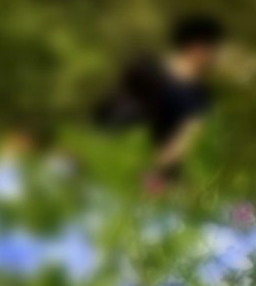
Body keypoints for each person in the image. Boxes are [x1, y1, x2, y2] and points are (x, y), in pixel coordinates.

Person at [92, 14, 226, 188]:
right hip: (108, 145)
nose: (215, 55)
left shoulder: (200, 96)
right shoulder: (146, 67)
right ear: (196, 47)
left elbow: (183, 139)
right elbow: (111, 104)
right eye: (212, 49)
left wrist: (159, 169)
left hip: (142, 163)